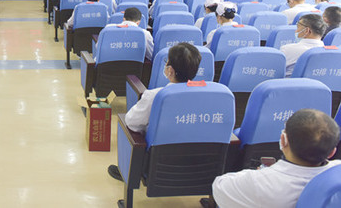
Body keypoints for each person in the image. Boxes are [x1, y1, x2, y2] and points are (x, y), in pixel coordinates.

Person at [107, 43, 201, 181]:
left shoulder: (155, 96)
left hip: (158, 163)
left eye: (167, 62)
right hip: (195, 164)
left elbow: (132, 122)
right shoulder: (206, 97)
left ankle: (128, 172)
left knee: (128, 124)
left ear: (170, 71)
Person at [211, 109, 341, 208]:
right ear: (332, 152)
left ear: (283, 140)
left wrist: (263, 174)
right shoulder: (337, 176)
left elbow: (219, 187)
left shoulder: (257, 183)